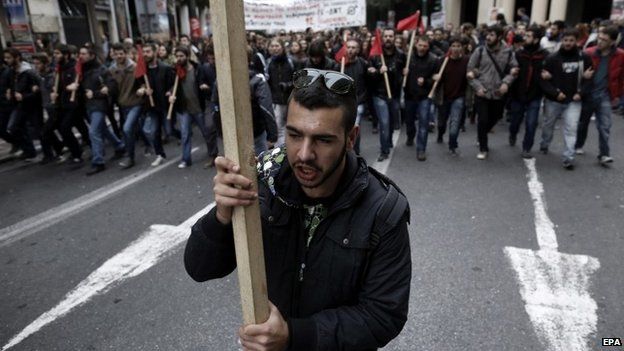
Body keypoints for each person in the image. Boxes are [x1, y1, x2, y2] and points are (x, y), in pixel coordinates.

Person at [184, 68, 411, 351]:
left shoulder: (383, 210)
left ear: (351, 138)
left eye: (323, 140)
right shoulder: (261, 181)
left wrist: (295, 334)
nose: (304, 154)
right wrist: (221, 216)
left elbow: (384, 315)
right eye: (294, 135)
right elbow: (199, 268)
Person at [539, 28, 593, 170]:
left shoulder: (584, 58)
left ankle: (568, 157)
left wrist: (580, 93)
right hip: (554, 100)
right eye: (565, 40)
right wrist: (555, 93)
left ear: (576, 41)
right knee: (548, 125)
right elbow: (544, 81)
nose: (568, 43)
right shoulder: (552, 58)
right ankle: (545, 143)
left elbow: (589, 79)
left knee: (571, 129)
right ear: (561, 41)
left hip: (574, 101)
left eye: (571, 40)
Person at [467, 25, 518, 160]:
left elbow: (514, 70)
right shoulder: (480, 50)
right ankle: (483, 148)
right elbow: (470, 72)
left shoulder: (508, 52)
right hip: (482, 92)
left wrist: (506, 83)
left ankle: (481, 134)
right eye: (487, 34)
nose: (488, 37)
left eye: (492, 35)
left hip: (498, 92)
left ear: (499, 37)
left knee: (496, 116)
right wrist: (477, 87)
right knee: (482, 120)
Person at [575, 26, 623, 166]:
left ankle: (604, 154)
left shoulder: (620, 55)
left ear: (613, 42)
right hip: (587, 93)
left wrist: (618, 95)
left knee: (605, 125)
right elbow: (577, 73)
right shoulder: (588, 52)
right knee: (582, 123)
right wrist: (583, 77)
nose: (600, 41)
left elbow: (621, 78)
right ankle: (578, 144)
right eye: (599, 38)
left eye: (604, 40)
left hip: (605, 95)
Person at [79, 45, 125, 175]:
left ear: (92, 55)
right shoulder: (81, 70)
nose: (80, 56)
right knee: (103, 129)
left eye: (83, 54)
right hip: (88, 105)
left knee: (93, 132)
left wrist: (96, 94)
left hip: (99, 105)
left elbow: (111, 87)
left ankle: (98, 161)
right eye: (80, 54)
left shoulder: (102, 70)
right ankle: (119, 146)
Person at [168, 46, 212, 169]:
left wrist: (205, 87)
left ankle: (212, 155)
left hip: (198, 108)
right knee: (185, 134)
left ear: (187, 56)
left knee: (206, 133)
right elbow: (172, 87)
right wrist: (170, 94)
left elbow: (205, 82)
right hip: (184, 109)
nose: (179, 59)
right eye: (177, 56)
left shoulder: (198, 69)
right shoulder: (175, 71)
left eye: (181, 56)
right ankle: (186, 159)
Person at [508, 26, 548, 159]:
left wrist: (549, 75)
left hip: (535, 96)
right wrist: (512, 71)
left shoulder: (544, 55)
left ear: (536, 39)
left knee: (531, 124)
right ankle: (513, 134)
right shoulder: (519, 54)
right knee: (515, 122)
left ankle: (526, 148)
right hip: (518, 94)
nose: (525, 38)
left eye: (528, 36)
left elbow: (550, 72)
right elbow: (510, 69)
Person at [368, 28, 406, 162]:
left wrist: (405, 72)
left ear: (395, 38)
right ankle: (384, 150)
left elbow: (403, 73)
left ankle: (388, 141)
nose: (388, 38)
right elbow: (369, 75)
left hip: (394, 94)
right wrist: (378, 71)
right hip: (380, 94)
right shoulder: (375, 55)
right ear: (382, 38)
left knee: (391, 122)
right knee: (384, 122)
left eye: (391, 36)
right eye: (386, 36)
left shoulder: (401, 55)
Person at [402, 35, 438, 161]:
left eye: (425, 46)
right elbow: (399, 77)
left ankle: (421, 149)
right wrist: (404, 73)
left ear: (428, 46)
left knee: (423, 123)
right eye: (420, 45)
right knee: (409, 121)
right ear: (416, 44)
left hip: (424, 96)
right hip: (410, 95)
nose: (422, 48)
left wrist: (427, 81)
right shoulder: (408, 57)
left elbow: (435, 79)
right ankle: (410, 135)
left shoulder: (433, 59)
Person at [433, 35, 470, 156]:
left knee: (455, 123)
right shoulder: (442, 61)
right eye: (453, 46)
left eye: (458, 46)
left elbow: (474, 70)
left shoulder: (466, 60)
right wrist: (435, 77)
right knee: (442, 122)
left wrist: (473, 73)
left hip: (459, 97)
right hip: (444, 96)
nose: (455, 48)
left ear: (462, 47)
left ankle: (452, 144)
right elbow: (433, 75)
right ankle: (440, 133)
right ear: (449, 47)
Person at [109, 43, 144, 169]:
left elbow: (144, 82)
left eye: (121, 53)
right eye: (116, 54)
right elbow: (112, 88)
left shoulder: (135, 67)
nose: (119, 56)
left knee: (127, 128)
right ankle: (146, 144)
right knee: (134, 128)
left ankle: (130, 157)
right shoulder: (112, 70)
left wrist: (142, 88)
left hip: (135, 103)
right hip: (123, 104)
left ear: (126, 54)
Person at [141, 42, 175, 167]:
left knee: (169, 130)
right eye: (144, 52)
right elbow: (139, 85)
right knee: (153, 131)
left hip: (165, 106)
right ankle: (160, 154)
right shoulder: (143, 71)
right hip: (152, 107)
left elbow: (173, 84)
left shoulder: (165, 68)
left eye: (148, 51)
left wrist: (170, 92)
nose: (145, 54)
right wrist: (143, 89)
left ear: (155, 52)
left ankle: (179, 135)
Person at [3, 48, 40, 161]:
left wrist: (24, 96)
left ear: (17, 57)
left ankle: (54, 148)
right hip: (19, 105)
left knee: (39, 129)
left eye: (9, 58)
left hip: (30, 105)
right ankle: (29, 150)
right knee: (14, 127)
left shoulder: (27, 71)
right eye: (5, 58)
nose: (6, 60)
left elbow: (36, 90)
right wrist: (9, 91)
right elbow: (10, 84)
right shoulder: (11, 71)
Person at [342, 38, 369, 154]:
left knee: (354, 127)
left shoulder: (363, 63)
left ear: (358, 50)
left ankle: (355, 153)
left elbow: (368, 82)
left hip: (358, 101)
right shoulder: (341, 63)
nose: (350, 50)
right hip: (343, 101)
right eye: (348, 47)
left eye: (353, 48)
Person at [266, 39, 296, 145]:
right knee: (278, 127)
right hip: (276, 101)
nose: (275, 48)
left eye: (277, 46)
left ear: (282, 47)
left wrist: (288, 85)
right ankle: (280, 152)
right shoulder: (268, 62)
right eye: (272, 46)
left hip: (290, 99)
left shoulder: (291, 61)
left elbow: (298, 79)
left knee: (290, 126)